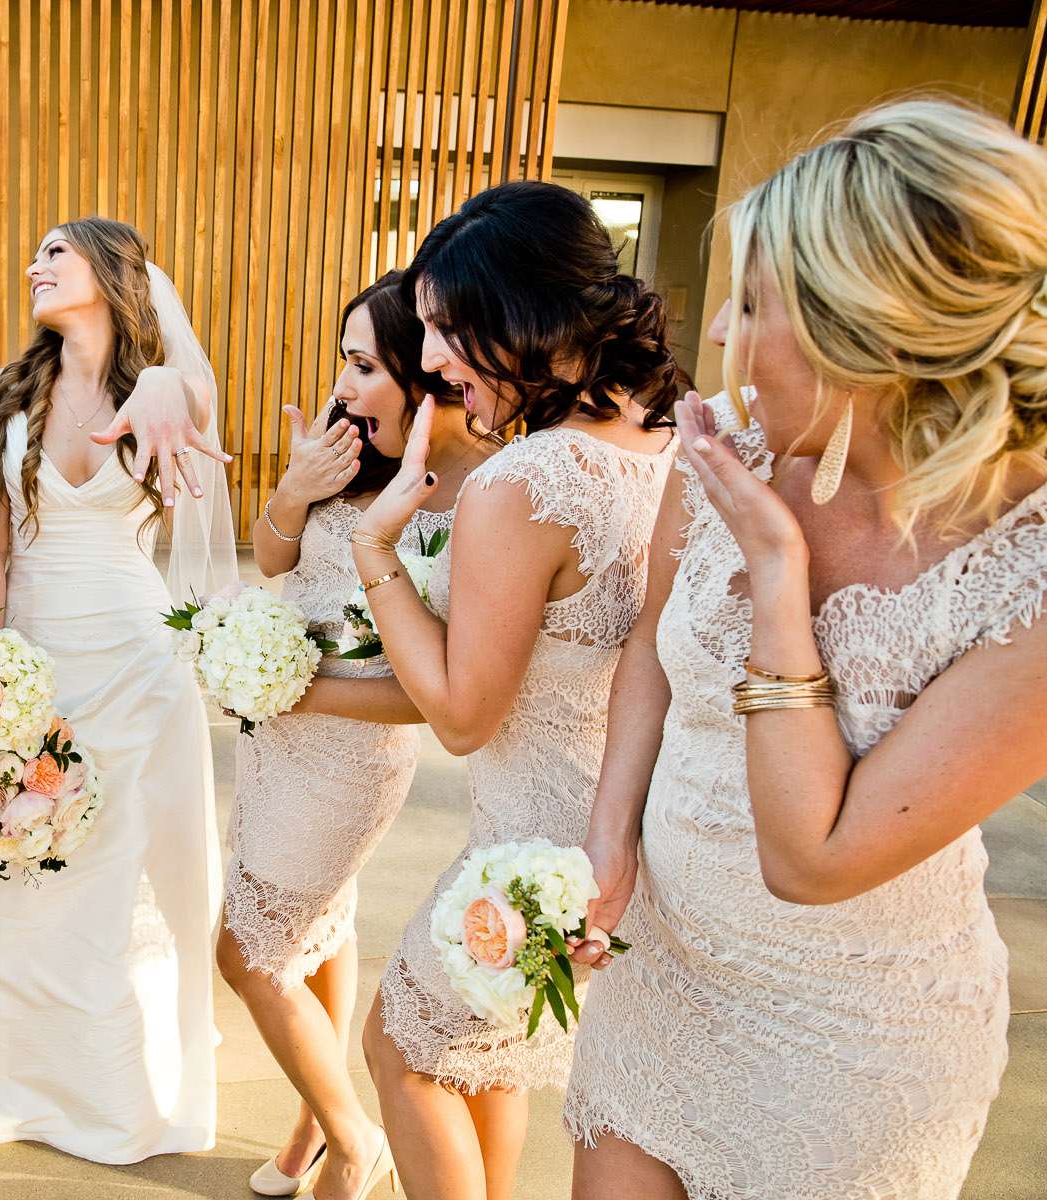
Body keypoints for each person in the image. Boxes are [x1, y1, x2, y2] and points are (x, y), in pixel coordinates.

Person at [565, 98, 1047, 1200]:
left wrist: (780, 580)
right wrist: (610, 844)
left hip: (852, 1052)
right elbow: (651, 645)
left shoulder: (1033, 567)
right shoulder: (728, 438)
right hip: (666, 979)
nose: (721, 336)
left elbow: (814, 858)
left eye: (752, 303)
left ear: (868, 335)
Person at [352, 181, 684, 1200]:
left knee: (403, 1052)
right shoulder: (663, 437)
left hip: (533, 845)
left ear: (526, 316)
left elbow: (461, 713)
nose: (436, 363)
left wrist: (376, 552)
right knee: (488, 1068)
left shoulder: (526, 483)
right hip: (625, 832)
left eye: (450, 332)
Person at [0, 217, 235, 1163]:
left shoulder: (169, 390)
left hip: (136, 664)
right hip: (36, 657)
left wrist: (165, 380)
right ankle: (1, 1069)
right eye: (32, 250)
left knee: (121, 876)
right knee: (17, 857)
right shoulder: (14, 389)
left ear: (112, 275)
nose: (33, 265)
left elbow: (189, 399)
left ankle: (114, 1079)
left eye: (56, 253)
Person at [218, 272, 490, 1200]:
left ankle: (351, 1134)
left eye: (365, 364)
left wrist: (301, 691)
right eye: (344, 359)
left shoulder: (472, 504)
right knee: (321, 930)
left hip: (347, 758)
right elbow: (275, 560)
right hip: (279, 743)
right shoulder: (355, 452)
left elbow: (436, 697)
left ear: (430, 376)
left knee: (247, 952)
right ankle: (312, 1134)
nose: (342, 384)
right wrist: (293, 490)